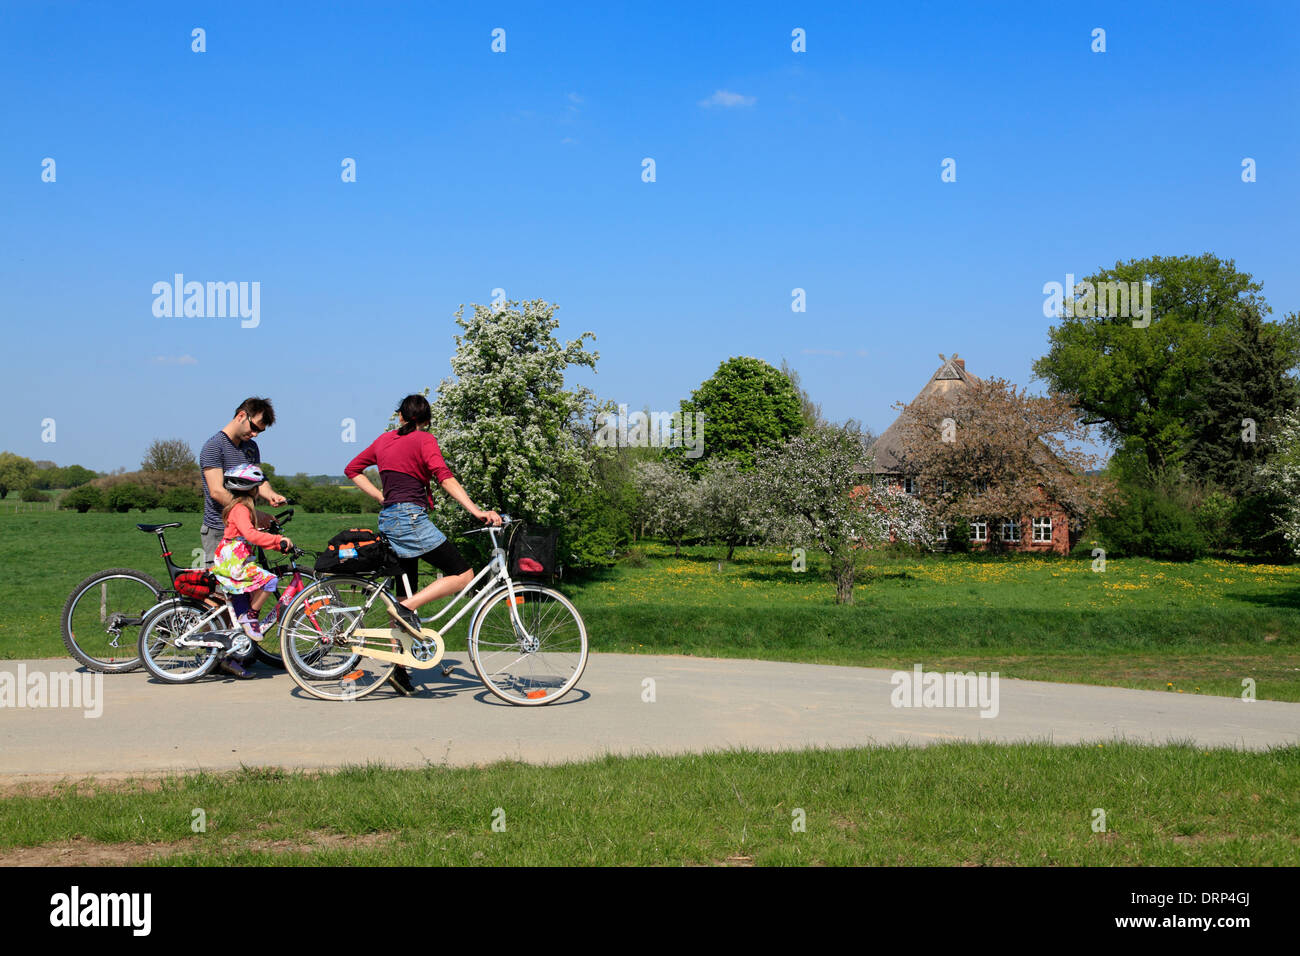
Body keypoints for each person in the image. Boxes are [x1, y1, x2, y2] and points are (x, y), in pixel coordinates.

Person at [345, 394, 501, 695]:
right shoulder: (424, 439)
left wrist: (380, 496)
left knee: (405, 590)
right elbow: (444, 477)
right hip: (410, 519)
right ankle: (406, 608)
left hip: (389, 519)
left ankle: (398, 669)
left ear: (401, 416)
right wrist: (477, 511)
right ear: (426, 419)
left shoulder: (383, 440)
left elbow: (351, 469)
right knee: (463, 574)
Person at [209, 464, 293, 679]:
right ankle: (251, 616)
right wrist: (278, 540)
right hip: (234, 559)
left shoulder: (238, 508)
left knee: (241, 600)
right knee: (270, 581)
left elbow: (250, 536)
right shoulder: (241, 509)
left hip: (234, 556)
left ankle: (232, 659)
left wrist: (275, 544)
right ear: (252, 490)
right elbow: (251, 535)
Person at [199, 398, 287, 570]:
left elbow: (259, 480)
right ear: (241, 416)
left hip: (244, 529)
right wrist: (253, 513)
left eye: (259, 432)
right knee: (222, 592)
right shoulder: (214, 447)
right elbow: (217, 491)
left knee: (245, 590)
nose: (255, 434)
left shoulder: (251, 447)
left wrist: (272, 495)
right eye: (254, 428)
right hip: (220, 529)